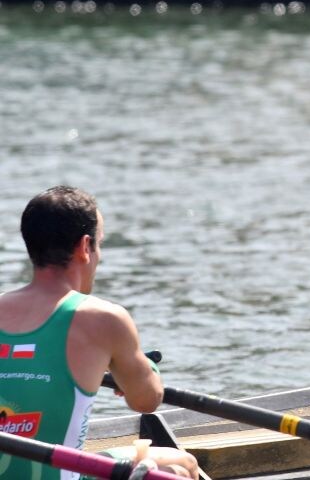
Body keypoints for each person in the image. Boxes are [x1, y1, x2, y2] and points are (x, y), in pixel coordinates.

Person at [0, 186, 199, 479]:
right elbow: (146, 401)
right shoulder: (104, 319)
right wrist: (140, 368)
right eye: (99, 244)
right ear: (84, 247)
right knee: (181, 466)